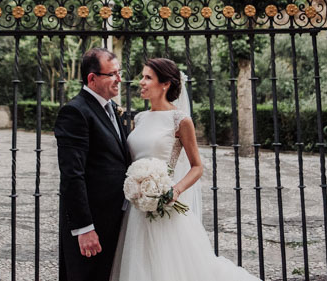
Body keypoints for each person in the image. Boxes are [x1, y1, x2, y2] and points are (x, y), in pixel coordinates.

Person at [110, 58, 260, 281]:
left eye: (148, 77)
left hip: (165, 205)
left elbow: (197, 167)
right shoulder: (140, 118)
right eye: (142, 76)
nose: (141, 82)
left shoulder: (180, 120)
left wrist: (175, 190)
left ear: (165, 84)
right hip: (136, 208)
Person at [55, 47, 132, 281]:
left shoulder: (111, 109)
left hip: (114, 219)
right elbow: (72, 174)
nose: (119, 79)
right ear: (92, 78)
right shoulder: (75, 112)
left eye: (119, 72)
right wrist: (84, 228)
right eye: (112, 74)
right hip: (92, 223)